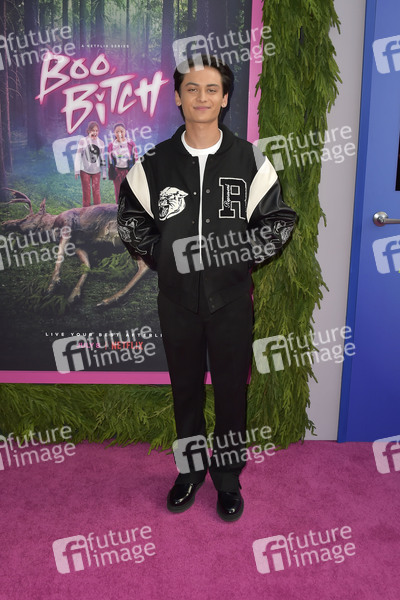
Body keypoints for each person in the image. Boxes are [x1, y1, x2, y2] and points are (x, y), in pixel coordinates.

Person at [117, 55, 297, 522]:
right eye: (192, 88)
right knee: (186, 390)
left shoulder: (250, 159)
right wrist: (164, 256)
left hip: (231, 300)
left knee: (232, 391)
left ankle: (228, 477)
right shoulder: (154, 162)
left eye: (211, 89)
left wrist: (238, 257)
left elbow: (279, 221)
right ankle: (190, 472)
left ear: (225, 97)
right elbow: (131, 218)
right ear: (178, 97)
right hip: (176, 301)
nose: (202, 97)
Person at [74, 121, 107, 206]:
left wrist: (104, 172)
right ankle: (86, 210)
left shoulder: (101, 143)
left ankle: (97, 210)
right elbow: (78, 156)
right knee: (86, 192)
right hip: (84, 170)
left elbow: (102, 158)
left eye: (96, 130)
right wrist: (77, 170)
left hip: (96, 171)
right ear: (88, 131)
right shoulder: (83, 141)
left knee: (96, 192)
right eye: (93, 130)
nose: (95, 132)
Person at [108, 123, 138, 203]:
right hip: (117, 171)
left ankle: (130, 207)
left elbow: (135, 158)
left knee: (129, 190)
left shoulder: (131, 143)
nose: (119, 134)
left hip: (128, 171)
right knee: (118, 191)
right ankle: (119, 207)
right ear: (114, 133)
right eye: (117, 132)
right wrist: (111, 173)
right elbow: (110, 160)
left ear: (125, 132)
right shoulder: (111, 145)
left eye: (121, 131)